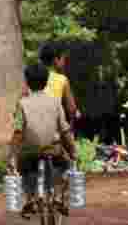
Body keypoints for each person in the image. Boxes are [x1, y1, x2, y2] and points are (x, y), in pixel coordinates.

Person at [9, 63, 77, 216]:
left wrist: (12, 157)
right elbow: (64, 130)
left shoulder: (22, 103)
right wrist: (73, 151)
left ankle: (30, 199)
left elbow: (18, 132)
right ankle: (58, 196)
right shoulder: (55, 102)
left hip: (30, 151)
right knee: (65, 165)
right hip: (53, 149)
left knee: (24, 168)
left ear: (27, 82)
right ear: (46, 82)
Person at [40, 41, 80, 125]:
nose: (64, 62)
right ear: (56, 60)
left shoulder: (32, 77)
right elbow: (72, 109)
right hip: (52, 128)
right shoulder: (61, 80)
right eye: (63, 58)